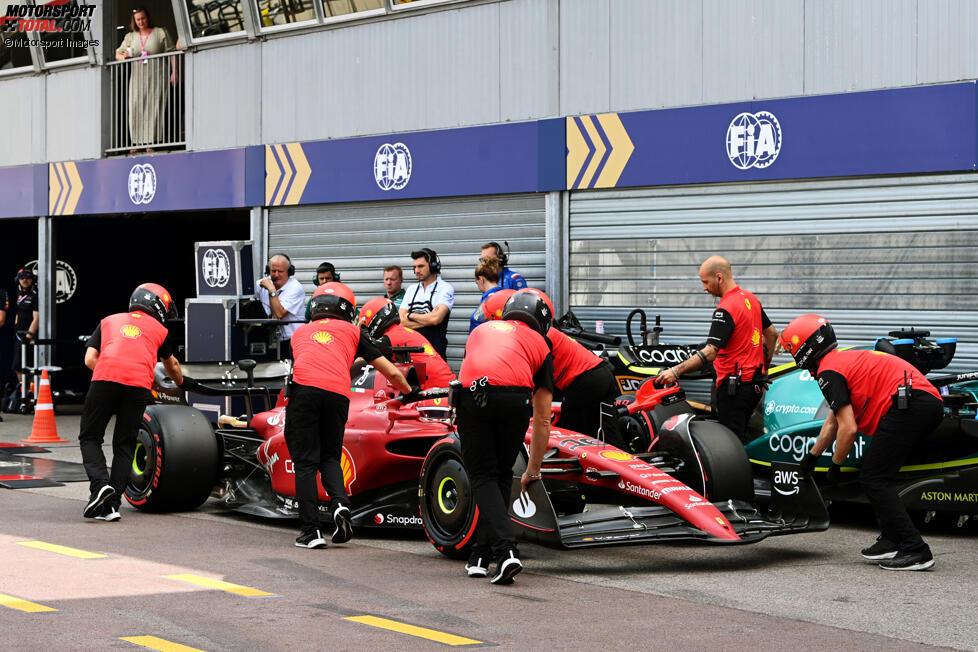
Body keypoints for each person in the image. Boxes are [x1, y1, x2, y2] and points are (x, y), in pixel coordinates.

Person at [782, 314, 943, 571]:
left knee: (873, 478)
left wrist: (835, 465)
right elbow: (834, 420)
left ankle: (916, 549)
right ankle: (892, 540)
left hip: (911, 405)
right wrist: (810, 458)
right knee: (878, 475)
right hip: (919, 402)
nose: (790, 354)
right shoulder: (836, 361)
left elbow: (848, 428)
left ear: (804, 347)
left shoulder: (828, 370)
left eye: (791, 348)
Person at [287, 282, 413, 549]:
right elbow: (390, 372)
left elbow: (307, 361)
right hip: (337, 395)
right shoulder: (355, 332)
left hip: (304, 392)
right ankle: (341, 505)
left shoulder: (299, 333)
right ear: (346, 308)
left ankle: (311, 532)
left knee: (306, 464)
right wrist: (408, 391)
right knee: (330, 457)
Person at [457, 291, 554, 585]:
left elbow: (471, 364)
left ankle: (507, 551)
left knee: (482, 476)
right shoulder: (543, 344)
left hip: (476, 395)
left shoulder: (481, 329)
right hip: (517, 399)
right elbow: (544, 418)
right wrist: (533, 469)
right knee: (499, 476)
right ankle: (481, 556)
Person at [79, 283, 190, 522]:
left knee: (90, 437)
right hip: (139, 385)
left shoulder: (108, 320)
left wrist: (112, 371)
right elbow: (172, 366)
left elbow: (90, 359)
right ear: (159, 306)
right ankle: (111, 505)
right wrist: (182, 382)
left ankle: (100, 486)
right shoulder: (160, 331)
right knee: (125, 444)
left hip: (105, 380)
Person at [654, 256, 778, 444]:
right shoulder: (751, 299)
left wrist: (675, 371)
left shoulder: (725, 308)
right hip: (756, 386)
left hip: (734, 390)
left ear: (719, 277)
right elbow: (772, 334)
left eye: (705, 281)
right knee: (746, 438)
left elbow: (711, 351)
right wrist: (764, 367)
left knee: (731, 445)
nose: (704, 287)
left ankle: (738, 474)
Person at [115, 7, 177, 153]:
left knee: (154, 108)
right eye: (138, 19)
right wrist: (123, 57)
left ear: (147, 18)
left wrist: (175, 72)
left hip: (157, 76)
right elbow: (117, 53)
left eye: (143, 18)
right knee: (135, 107)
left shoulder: (160, 32)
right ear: (134, 21)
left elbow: (172, 52)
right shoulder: (130, 36)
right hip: (137, 78)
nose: (141, 21)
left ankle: (150, 142)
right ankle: (136, 143)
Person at [358, 297, 456, 389]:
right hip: (447, 387)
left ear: (374, 320)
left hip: (437, 391)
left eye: (365, 326)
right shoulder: (402, 331)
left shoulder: (393, 336)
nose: (365, 331)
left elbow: (362, 357)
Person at [400, 248, 455, 359]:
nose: (416, 270)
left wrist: (410, 315)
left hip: (435, 354)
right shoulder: (411, 289)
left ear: (433, 266)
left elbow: (436, 319)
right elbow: (401, 321)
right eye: (414, 267)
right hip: (410, 354)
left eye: (421, 266)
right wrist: (428, 319)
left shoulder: (445, 288)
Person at [256, 253, 305, 359]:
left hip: (291, 342)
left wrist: (272, 291)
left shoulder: (295, 288)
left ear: (289, 272)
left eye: (280, 271)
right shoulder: (262, 283)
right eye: (273, 271)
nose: (276, 275)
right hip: (270, 340)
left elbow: (278, 314)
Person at [11, 268, 38, 406]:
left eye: (27, 277)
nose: (24, 280)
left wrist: (29, 335)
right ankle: (24, 389)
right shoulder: (19, 294)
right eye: (22, 277)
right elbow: (18, 312)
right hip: (18, 336)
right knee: (17, 366)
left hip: (28, 338)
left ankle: (32, 392)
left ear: (32, 279)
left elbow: (37, 319)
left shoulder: (35, 296)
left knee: (30, 366)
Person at [470, 258, 502, 332]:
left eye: (477, 282)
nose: (478, 286)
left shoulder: (489, 301)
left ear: (481, 279)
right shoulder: (506, 296)